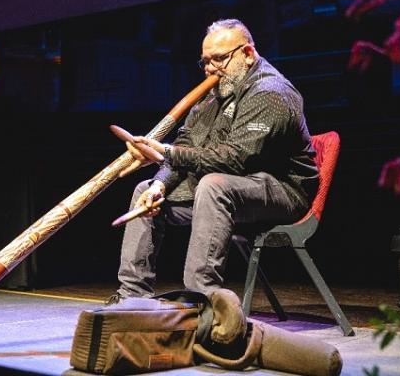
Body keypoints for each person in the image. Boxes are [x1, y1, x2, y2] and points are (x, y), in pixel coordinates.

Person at [109, 19, 319, 302]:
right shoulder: (214, 95)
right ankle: (131, 297)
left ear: (247, 54)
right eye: (205, 61)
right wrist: (160, 185)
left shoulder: (271, 93)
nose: (210, 69)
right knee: (144, 191)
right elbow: (186, 147)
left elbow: (234, 159)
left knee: (213, 185)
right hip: (229, 191)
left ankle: (201, 298)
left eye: (219, 59)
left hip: (281, 191)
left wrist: (166, 152)